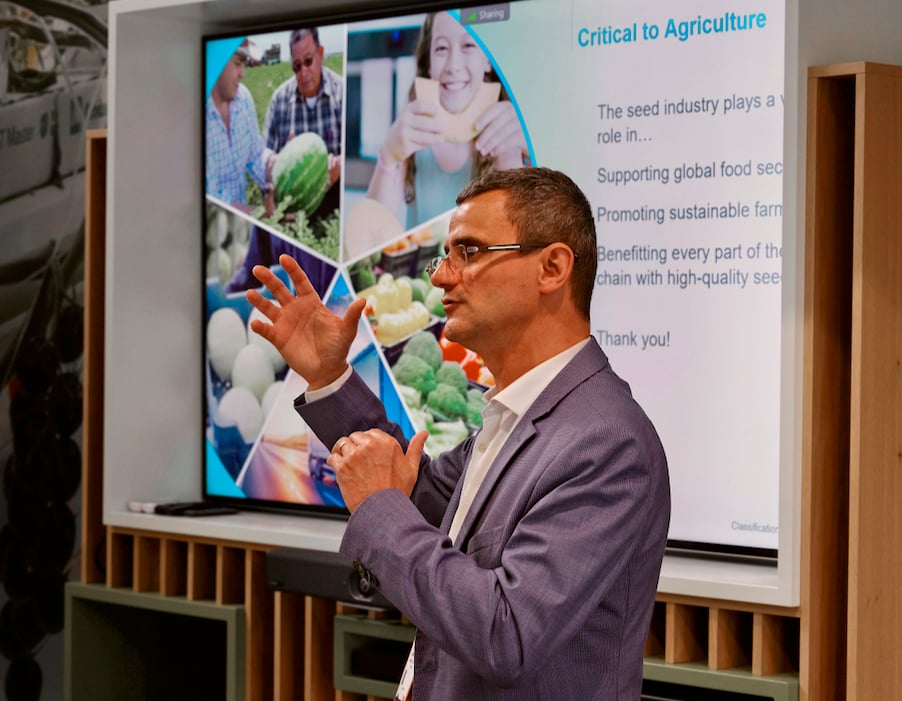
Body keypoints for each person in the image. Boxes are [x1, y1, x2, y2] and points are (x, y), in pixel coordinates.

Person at [247, 167, 670, 700]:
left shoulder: (607, 443)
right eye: (446, 255)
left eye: (468, 252)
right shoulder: (519, 413)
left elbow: (507, 634)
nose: (441, 277)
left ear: (553, 267)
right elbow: (419, 498)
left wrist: (379, 504)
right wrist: (330, 379)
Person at [364, 12, 529, 232]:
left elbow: (522, 236)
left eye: (468, 45)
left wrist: (509, 159)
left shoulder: (513, 132)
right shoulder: (414, 131)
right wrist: (389, 154)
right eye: (441, 48)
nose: (453, 65)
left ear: (488, 59)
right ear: (429, 63)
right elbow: (371, 232)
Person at [263, 27, 343, 220]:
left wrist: (339, 164)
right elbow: (262, 150)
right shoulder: (280, 99)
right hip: (291, 212)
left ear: (321, 54)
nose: (303, 71)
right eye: (297, 66)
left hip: (334, 208)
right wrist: (272, 161)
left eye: (308, 61)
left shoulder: (342, 92)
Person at [205, 41, 275, 212]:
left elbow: (255, 155)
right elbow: (212, 198)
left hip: (243, 225)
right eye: (237, 63)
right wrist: (261, 215)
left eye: (244, 64)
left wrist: (279, 164)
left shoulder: (243, 99)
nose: (243, 73)